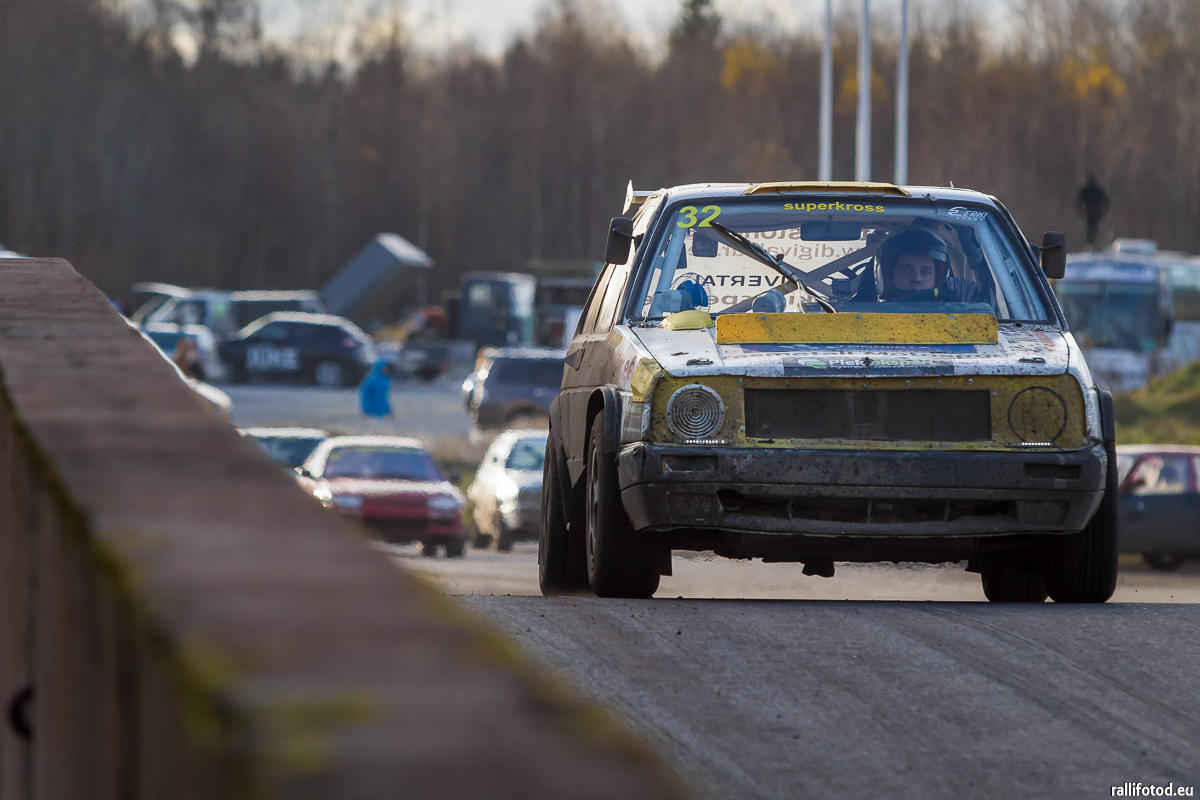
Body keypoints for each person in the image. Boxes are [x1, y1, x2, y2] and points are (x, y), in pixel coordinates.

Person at [866, 229, 979, 303]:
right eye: (906, 270)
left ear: (938, 277)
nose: (916, 279)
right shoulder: (868, 317)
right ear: (888, 275)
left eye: (925, 272)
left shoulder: (958, 313)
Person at [1076, 174, 1110, 249]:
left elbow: (1080, 200)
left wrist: (1080, 211)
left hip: (1089, 211)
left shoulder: (1086, 189)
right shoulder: (1098, 189)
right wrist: (1104, 211)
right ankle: (1092, 243)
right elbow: (1106, 200)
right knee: (1094, 228)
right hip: (1097, 212)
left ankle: (1089, 243)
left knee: (1089, 227)